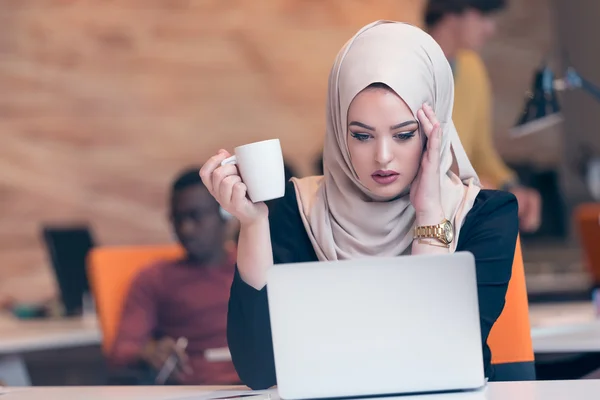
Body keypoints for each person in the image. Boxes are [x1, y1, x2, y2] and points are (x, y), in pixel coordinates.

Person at [200, 21, 518, 389]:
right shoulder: (295, 209)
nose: (383, 157)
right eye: (362, 136)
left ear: (436, 129)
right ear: (338, 130)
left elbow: (432, 359)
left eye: (404, 135)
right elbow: (258, 369)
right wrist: (253, 225)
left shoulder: (486, 216)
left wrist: (430, 211)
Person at [109, 168, 239, 385]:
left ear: (224, 215)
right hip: (194, 390)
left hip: (264, 387)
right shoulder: (154, 279)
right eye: (177, 219)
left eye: (195, 216)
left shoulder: (254, 268)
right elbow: (122, 350)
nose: (185, 229)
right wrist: (148, 352)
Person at [425, 0, 541, 232]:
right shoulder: (408, 64)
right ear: (451, 13)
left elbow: (481, 152)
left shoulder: (472, 68)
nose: (490, 28)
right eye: (482, 16)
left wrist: (512, 186)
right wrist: (467, 186)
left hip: (462, 210)